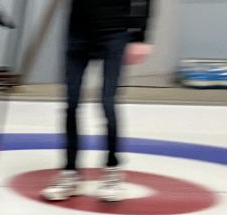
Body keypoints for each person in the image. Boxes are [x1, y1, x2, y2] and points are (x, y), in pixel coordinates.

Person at [41, 0, 153, 203]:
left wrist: (140, 35)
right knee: (71, 103)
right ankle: (70, 172)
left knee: (107, 102)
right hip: (77, 32)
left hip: (114, 33)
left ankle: (112, 170)